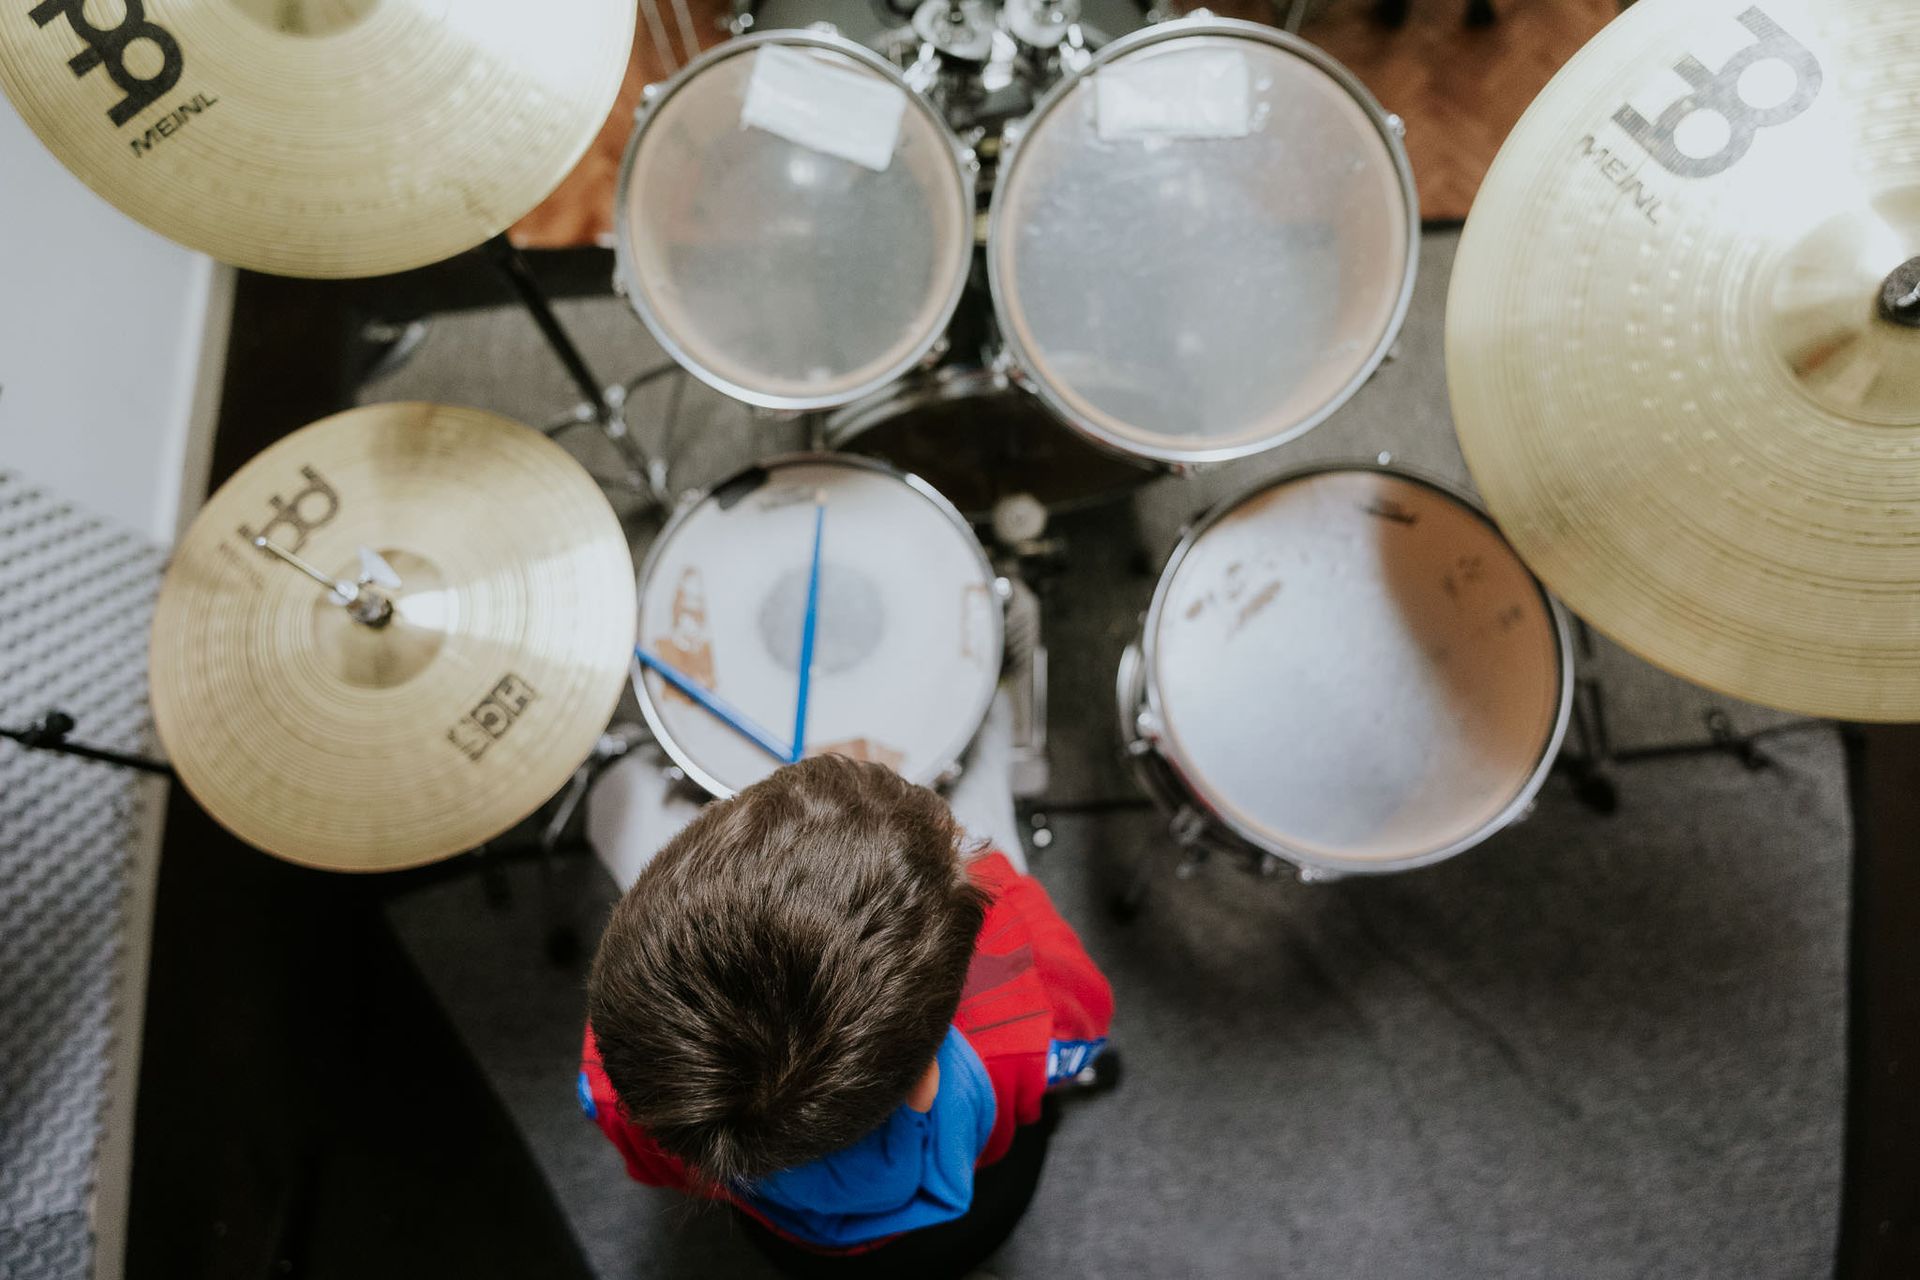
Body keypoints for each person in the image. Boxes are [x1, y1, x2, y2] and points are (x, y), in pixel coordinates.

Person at [577, 754, 1115, 1277]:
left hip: (798, 1245)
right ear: (927, 1082)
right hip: (984, 1190)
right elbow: (1088, 1017)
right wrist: (986, 866)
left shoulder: (622, 1086)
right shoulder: (1023, 998)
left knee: (618, 788)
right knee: (986, 753)